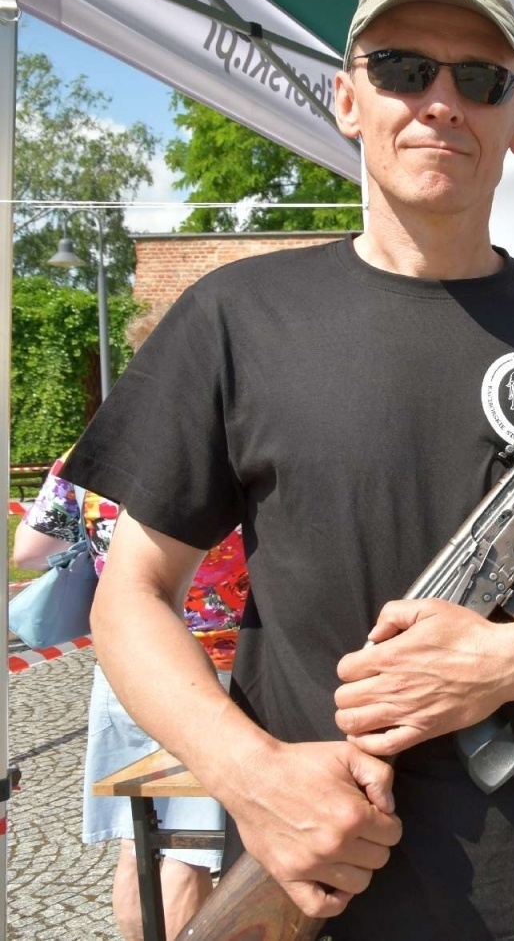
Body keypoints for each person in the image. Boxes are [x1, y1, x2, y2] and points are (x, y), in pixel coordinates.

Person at [64, 0, 514, 940]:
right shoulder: (235, 319)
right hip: (322, 881)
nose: (441, 103)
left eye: (482, 81)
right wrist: (253, 779)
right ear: (346, 98)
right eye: (403, 69)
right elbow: (132, 596)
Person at [12, 306, 249, 941]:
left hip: (123, 670)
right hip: (210, 672)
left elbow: (27, 550)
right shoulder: (224, 448)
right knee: (190, 855)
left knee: (138, 849)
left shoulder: (91, 451)